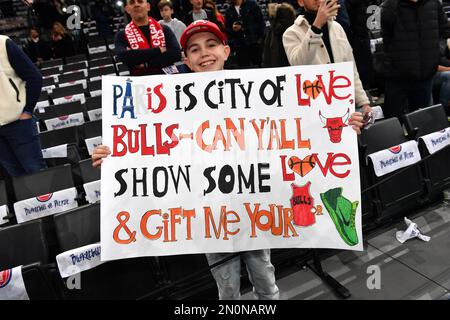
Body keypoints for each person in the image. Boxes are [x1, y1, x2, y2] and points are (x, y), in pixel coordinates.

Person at [93, 19, 367, 299]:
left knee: (266, 280)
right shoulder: (168, 104)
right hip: (208, 214)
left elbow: (297, 131)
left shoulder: (258, 92)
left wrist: (345, 125)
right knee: (226, 289)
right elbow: (146, 145)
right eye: (195, 49)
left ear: (226, 51)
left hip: (254, 209)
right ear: (185, 59)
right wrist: (114, 155)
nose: (205, 53)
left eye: (211, 45)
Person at [283, 0, 372, 117]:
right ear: (300, 2)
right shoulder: (291, 33)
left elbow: (351, 69)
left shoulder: (337, 28)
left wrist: (363, 102)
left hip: (343, 101)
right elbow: (299, 64)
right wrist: (316, 26)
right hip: (314, 107)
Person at [381, 0, 450, 119]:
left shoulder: (434, 4)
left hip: (425, 76)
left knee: (421, 122)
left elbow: (446, 30)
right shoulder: (390, 6)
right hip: (397, 77)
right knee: (394, 122)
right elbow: (386, 39)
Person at [0, 35, 46, 177]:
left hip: (19, 123)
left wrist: (27, 111)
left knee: (35, 171)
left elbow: (34, 77)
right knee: (16, 178)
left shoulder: (3, 43)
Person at [115, 0, 181, 76]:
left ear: (148, 7)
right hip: (140, 83)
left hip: (169, 78)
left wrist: (146, 64)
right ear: (127, 9)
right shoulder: (121, 35)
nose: (136, 4)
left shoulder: (164, 29)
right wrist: (159, 50)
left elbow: (176, 54)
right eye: (132, 2)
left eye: (140, 1)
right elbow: (125, 57)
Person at [225, 0, 266, 68]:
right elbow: (227, 30)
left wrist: (259, 39)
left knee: (259, 67)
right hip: (240, 46)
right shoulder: (229, 10)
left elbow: (261, 23)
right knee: (243, 70)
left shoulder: (252, 4)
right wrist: (233, 29)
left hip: (254, 43)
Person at [262, 2, 296, 68]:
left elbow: (267, 54)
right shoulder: (293, 30)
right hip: (291, 67)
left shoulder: (272, 30)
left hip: (275, 67)